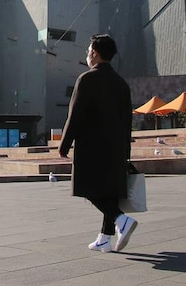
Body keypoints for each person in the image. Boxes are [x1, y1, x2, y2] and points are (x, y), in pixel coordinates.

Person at [59, 34, 136, 253]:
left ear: (94, 53)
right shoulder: (122, 84)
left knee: (86, 185)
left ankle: (121, 220)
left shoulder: (87, 79)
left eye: (88, 51)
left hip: (92, 146)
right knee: (109, 191)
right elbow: (127, 120)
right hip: (117, 147)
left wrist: (64, 145)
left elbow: (75, 115)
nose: (87, 55)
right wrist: (126, 151)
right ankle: (105, 238)